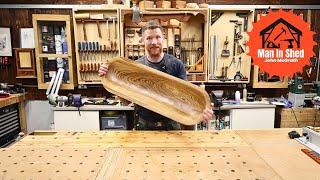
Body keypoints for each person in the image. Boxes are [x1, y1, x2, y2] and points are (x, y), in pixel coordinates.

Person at [99, 20, 213, 130]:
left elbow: (187, 97)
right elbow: (127, 101)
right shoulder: (135, 67)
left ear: (163, 38)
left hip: (172, 126)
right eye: (149, 38)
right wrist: (111, 81)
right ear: (142, 40)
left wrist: (202, 112)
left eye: (157, 37)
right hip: (144, 126)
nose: (154, 42)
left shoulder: (176, 64)